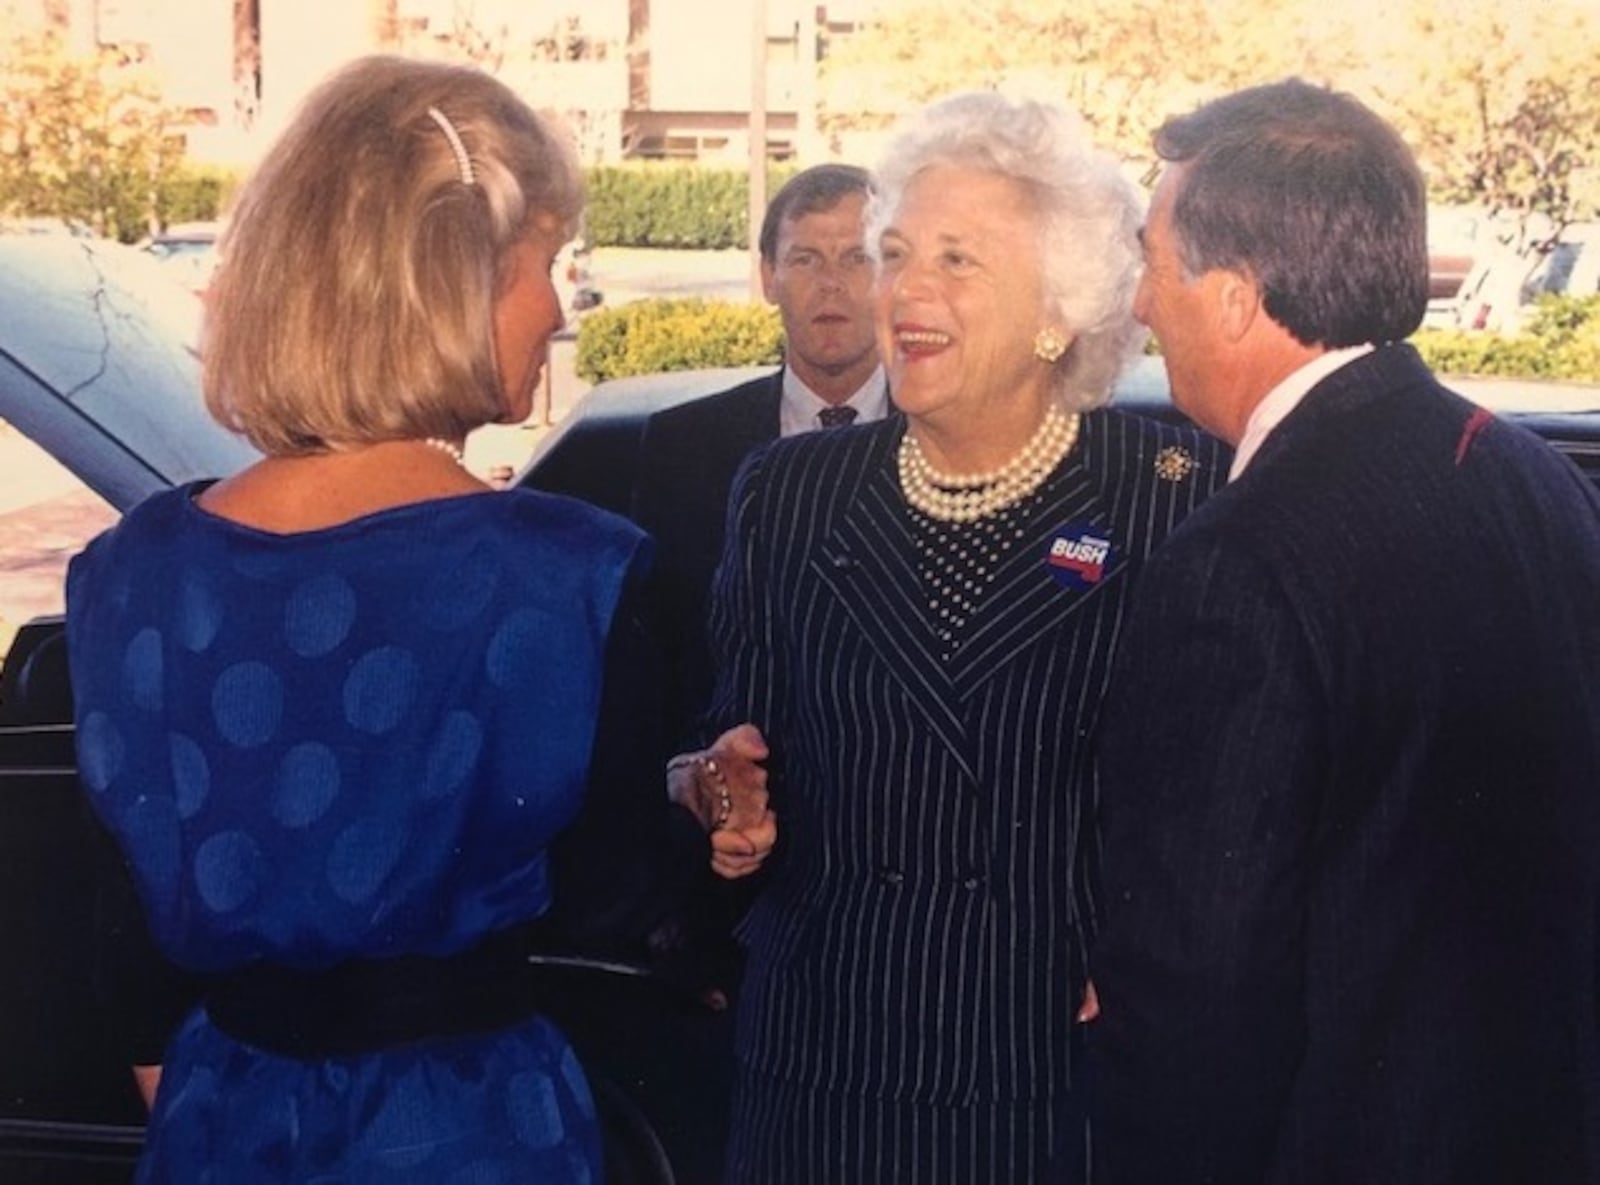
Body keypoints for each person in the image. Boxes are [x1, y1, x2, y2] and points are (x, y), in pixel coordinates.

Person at [64, 55, 762, 1183]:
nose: (557, 306)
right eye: (547, 264)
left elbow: (121, 923)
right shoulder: (569, 575)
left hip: (221, 1116)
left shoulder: (131, 572)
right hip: (466, 1129)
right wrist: (696, 801)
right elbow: (609, 898)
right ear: (455, 281)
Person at [667, 90, 1230, 1185]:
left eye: (957, 261)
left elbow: (1215, 806)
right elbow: (720, 737)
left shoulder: (1169, 498)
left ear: (1057, 310)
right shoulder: (786, 492)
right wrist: (713, 789)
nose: (904, 293)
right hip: (818, 1073)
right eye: (895, 254)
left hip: (1042, 1073)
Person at [1090, 78, 1600, 1184]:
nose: (1140, 305)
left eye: (1153, 262)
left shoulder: (1235, 560)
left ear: (1231, 297)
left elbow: (1198, 987)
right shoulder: (1535, 482)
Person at [633, 162, 887, 739]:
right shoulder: (680, 450)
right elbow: (663, 656)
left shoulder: (944, 436)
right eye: (805, 259)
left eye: (858, 258)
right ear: (769, 277)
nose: (832, 284)